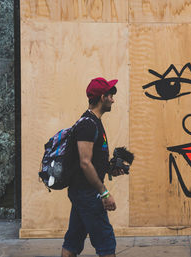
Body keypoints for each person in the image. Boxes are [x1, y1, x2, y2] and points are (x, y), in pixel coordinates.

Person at [61, 77, 126, 257]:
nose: (113, 99)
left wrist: (110, 169)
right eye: (110, 95)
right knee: (106, 241)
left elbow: (92, 161)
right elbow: (84, 162)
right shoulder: (88, 124)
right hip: (88, 193)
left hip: (83, 192)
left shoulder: (94, 122)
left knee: (73, 240)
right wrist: (104, 192)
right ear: (102, 97)